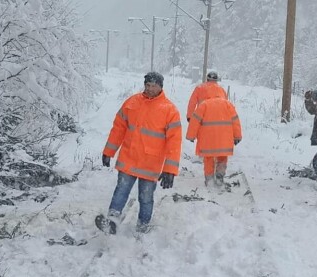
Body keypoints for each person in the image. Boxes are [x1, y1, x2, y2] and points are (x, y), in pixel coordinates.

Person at [96, 71, 182, 234]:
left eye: (153, 86)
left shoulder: (170, 110)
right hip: (129, 158)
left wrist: (170, 170)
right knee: (121, 190)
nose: (149, 89)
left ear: (160, 87)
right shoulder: (132, 103)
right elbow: (118, 129)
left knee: (146, 197)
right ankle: (112, 221)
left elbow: (174, 142)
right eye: (147, 85)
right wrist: (109, 151)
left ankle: (143, 227)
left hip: (150, 164)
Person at [186, 95, 242, 188]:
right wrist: (237, 136)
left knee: (208, 158)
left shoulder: (204, 105)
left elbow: (195, 120)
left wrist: (191, 136)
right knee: (222, 157)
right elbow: (235, 120)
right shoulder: (227, 104)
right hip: (224, 139)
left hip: (208, 139)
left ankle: (209, 179)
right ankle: (220, 175)